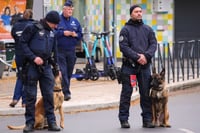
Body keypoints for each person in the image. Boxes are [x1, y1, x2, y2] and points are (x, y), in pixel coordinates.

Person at [19, 10, 61, 133]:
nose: (56, 26)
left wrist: (57, 67)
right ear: (49, 21)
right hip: (32, 66)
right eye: (55, 23)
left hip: (47, 67)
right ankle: (29, 123)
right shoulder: (32, 28)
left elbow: (54, 51)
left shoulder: (52, 32)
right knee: (31, 96)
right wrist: (33, 57)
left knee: (48, 95)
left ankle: (52, 122)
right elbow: (22, 44)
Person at [118, 5, 157, 128]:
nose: (139, 13)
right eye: (136, 12)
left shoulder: (148, 29)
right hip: (130, 67)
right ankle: (124, 119)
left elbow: (153, 44)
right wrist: (137, 57)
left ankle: (147, 119)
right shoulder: (125, 30)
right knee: (126, 93)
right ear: (131, 14)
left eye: (140, 11)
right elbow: (123, 47)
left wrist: (146, 56)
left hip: (145, 67)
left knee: (145, 93)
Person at [56, 0, 82, 101]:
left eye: (71, 9)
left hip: (71, 50)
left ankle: (64, 89)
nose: (70, 11)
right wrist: (63, 33)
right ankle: (66, 93)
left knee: (69, 72)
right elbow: (53, 32)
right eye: (68, 9)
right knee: (63, 71)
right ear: (64, 9)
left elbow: (80, 34)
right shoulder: (58, 20)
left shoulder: (75, 21)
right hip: (60, 50)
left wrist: (75, 35)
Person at [9, 9, 34, 108]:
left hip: (19, 54)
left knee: (20, 77)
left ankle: (15, 98)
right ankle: (24, 101)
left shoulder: (16, 26)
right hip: (29, 55)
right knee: (28, 78)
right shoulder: (33, 26)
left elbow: (14, 36)